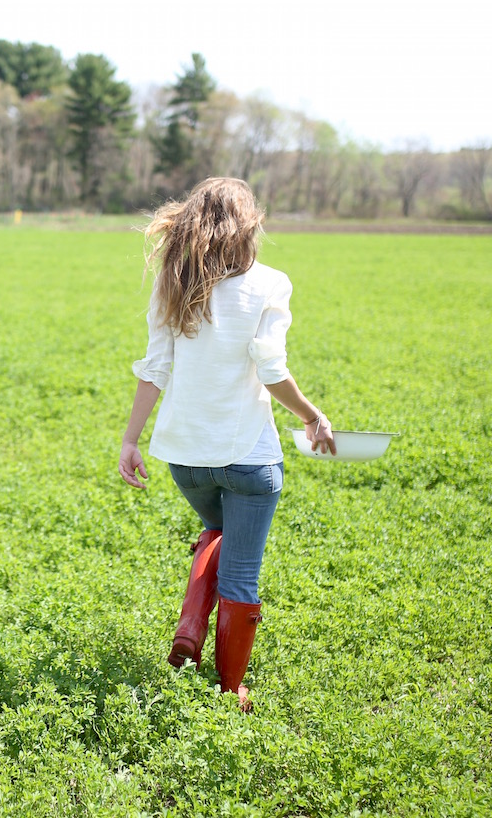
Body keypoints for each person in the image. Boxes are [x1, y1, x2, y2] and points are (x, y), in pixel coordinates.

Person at [118, 177, 335, 712]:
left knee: (216, 529)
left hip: (185, 460)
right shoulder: (271, 284)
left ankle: (193, 622)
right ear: (250, 226)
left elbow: (155, 368)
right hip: (249, 461)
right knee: (241, 571)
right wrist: (313, 417)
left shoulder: (172, 283)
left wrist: (130, 439)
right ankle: (229, 687)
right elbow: (274, 371)